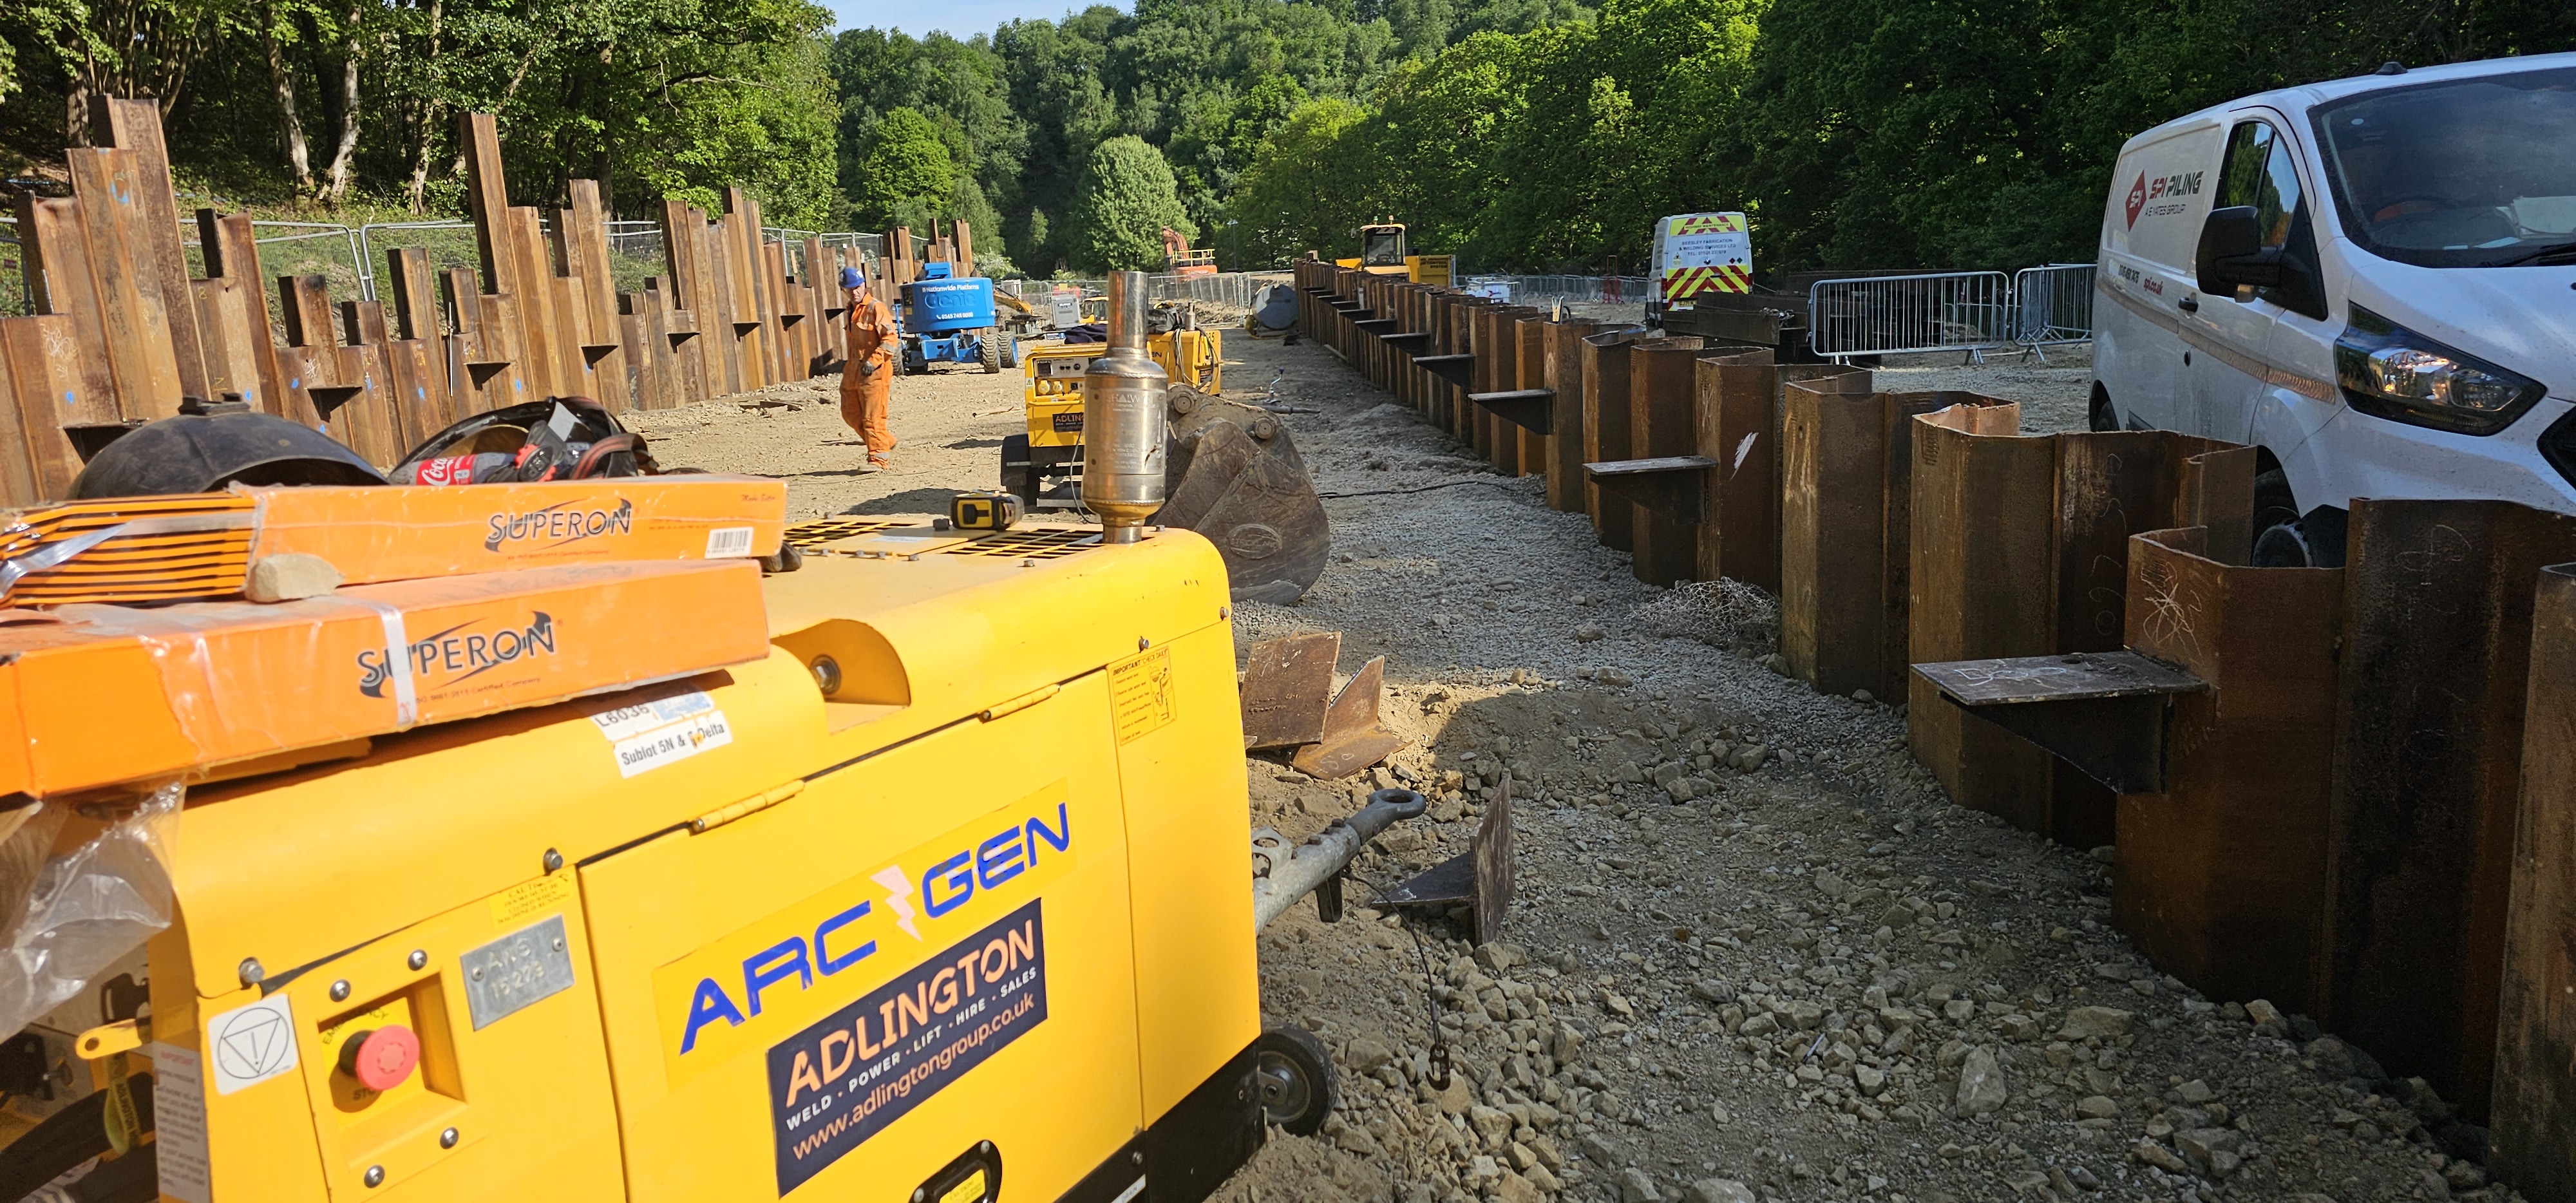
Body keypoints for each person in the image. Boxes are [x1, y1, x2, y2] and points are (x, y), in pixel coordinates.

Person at [840, 264, 898, 471]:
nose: (854, 292)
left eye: (857, 287)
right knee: (850, 412)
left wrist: (873, 361)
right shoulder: (851, 311)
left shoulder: (876, 308)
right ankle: (885, 441)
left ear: (864, 284)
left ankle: (878, 459)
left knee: (872, 416)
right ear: (844, 290)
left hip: (875, 370)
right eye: (849, 289)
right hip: (854, 369)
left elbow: (891, 339)